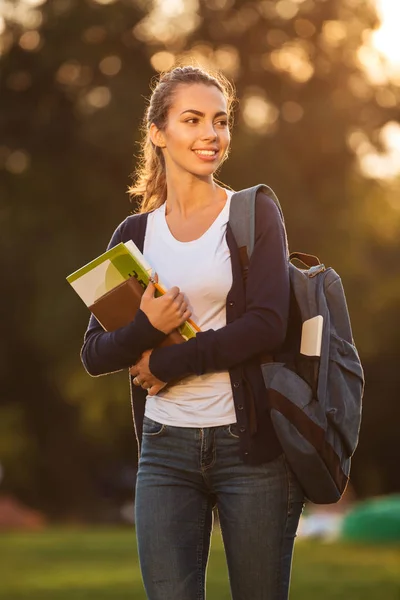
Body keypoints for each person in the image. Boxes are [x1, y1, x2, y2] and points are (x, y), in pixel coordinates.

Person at [81, 65, 305, 600]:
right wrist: (145, 328)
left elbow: (267, 325)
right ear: (158, 132)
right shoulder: (134, 234)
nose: (212, 134)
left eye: (221, 121)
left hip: (249, 448)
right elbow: (93, 353)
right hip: (163, 450)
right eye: (194, 119)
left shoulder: (254, 213)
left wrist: (167, 362)